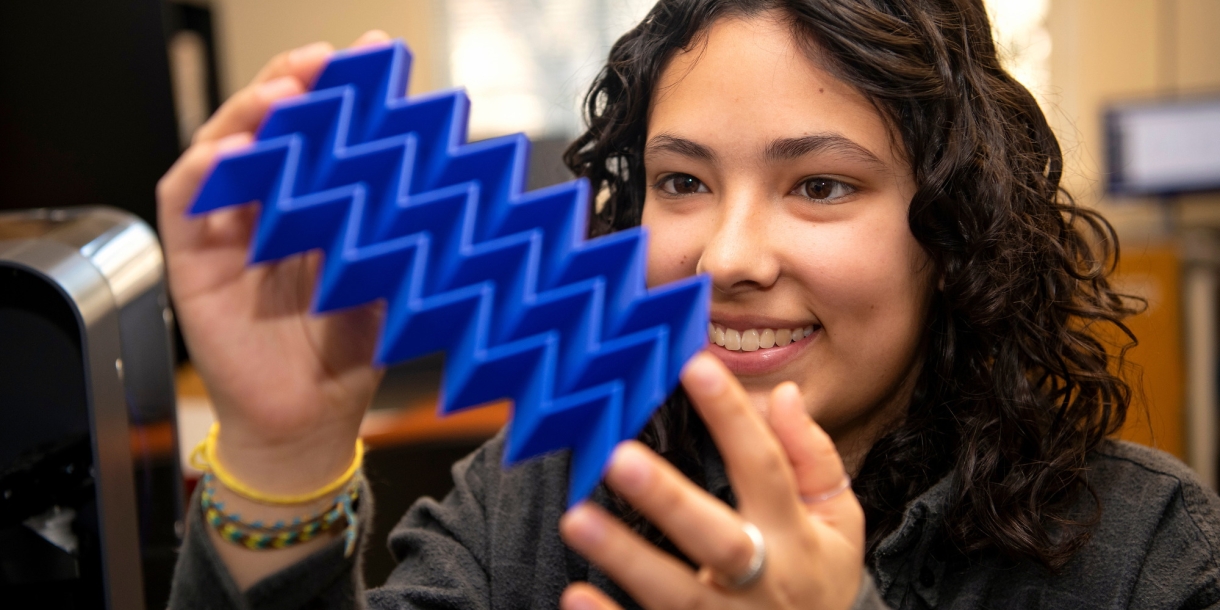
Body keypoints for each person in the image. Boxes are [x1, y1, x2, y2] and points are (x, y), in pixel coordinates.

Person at [161, 1, 1220, 608]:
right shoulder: (535, 499)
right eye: (681, 181)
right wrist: (281, 452)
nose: (725, 254)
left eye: (819, 184)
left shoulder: (1137, 550)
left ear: (951, 226)